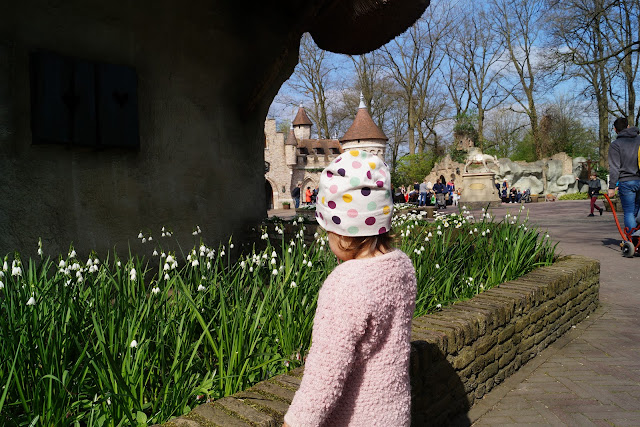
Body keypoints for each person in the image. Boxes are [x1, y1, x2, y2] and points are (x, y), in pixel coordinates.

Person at [284, 151, 416, 427]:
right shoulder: (402, 266)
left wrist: (297, 421)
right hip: (393, 414)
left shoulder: (345, 283)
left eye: (328, 232)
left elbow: (327, 370)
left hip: (355, 419)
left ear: (343, 231)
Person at [608, 117, 640, 235]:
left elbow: (614, 167)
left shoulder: (615, 145)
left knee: (629, 212)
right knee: (636, 210)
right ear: (628, 126)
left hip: (626, 182)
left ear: (615, 130)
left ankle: (633, 239)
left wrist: (612, 187)